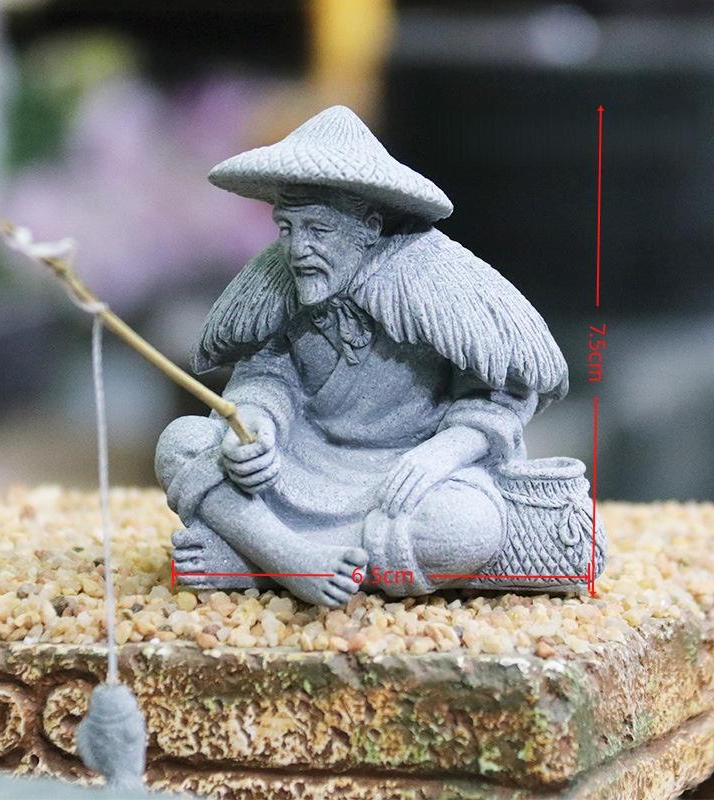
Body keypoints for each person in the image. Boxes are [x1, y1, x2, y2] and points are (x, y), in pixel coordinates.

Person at [156, 106, 599, 607]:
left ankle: (253, 557)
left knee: (466, 526)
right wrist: (258, 424)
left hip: (404, 478)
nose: (299, 248)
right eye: (287, 228)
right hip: (301, 464)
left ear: (367, 225)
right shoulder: (285, 279)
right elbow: (268, 372)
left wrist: (441, 452)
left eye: (319, 229)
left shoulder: (432, 278)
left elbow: (498, 394)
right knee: (183, 442)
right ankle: (290, 557)